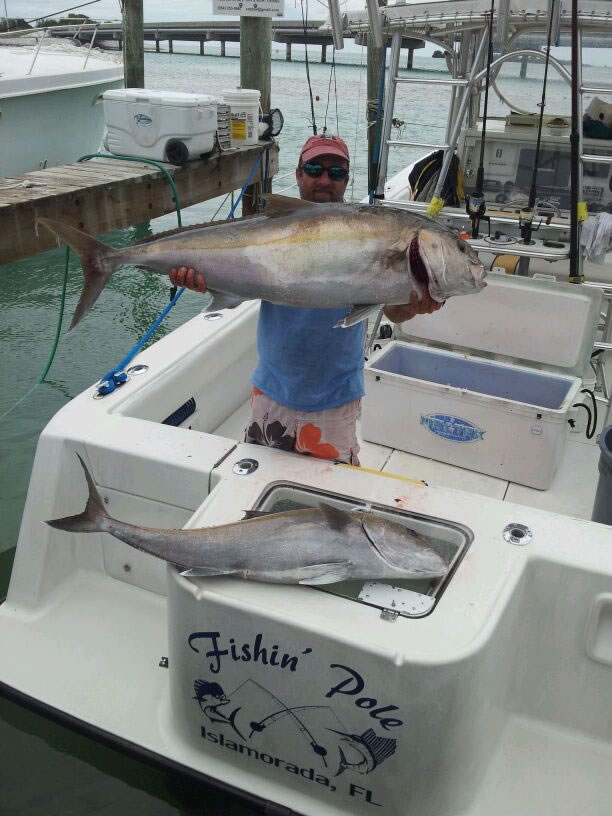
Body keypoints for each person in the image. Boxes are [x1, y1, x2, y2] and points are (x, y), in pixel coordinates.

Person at [169, 133, 441, 466]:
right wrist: (204, 278)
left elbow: (394, 313)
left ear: (346, 180)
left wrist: (413, 305)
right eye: (314, 168)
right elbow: (239, 276)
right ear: (298, 175)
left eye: (336, 172)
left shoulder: (368, 235)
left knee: (327, 498)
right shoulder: (274, 224)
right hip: (272, 390)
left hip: (335, 399)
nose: (325, 179)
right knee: (259, 483)